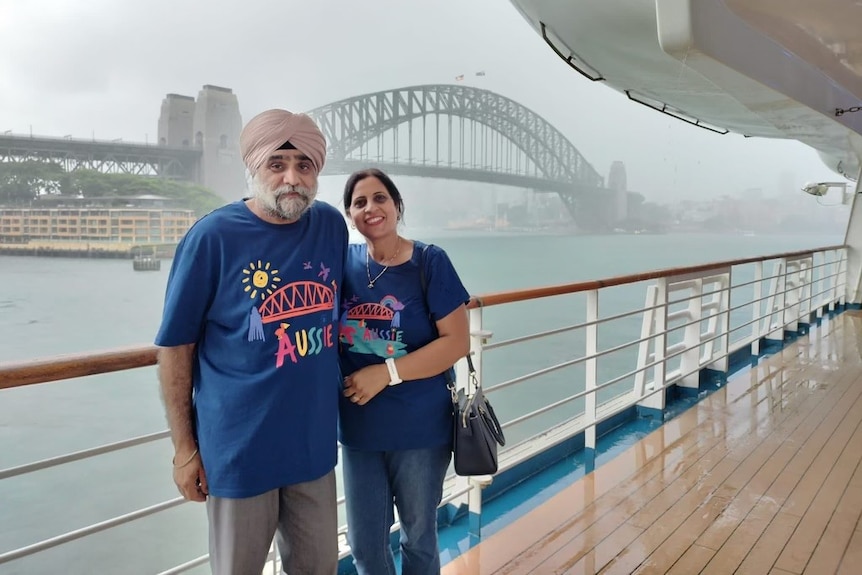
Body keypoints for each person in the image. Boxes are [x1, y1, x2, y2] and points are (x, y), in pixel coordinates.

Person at [155, 109, 347, 575]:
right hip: (240, 450)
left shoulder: (331, 226)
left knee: (320, 567)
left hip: (313, 447)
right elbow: (175, 347)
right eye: (277, 164)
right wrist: (184, 449)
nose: (291, 178)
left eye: (305, 165)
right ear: (254, 168)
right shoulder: (212, 236)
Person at [338, 168, 471, 575]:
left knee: (418, 539)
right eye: (359, 202)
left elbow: (456, 342)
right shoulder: (343, 264)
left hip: (419, 428)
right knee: (365, 547)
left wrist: (386, 373)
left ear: (397, 206)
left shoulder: (430, 262)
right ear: (350, 215)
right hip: (359, 431)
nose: (370, 208)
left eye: (380, 198)